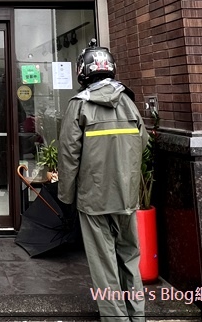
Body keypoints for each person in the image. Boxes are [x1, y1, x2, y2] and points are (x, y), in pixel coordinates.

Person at [57, 39, 149, 322]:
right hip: (126, 196)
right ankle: (138, 315)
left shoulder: (79, 106)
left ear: (83, 72)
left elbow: (69, 156)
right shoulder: (129, 104)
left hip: (94, 198)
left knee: (103, 262)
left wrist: (66, 197)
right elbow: (143, 143)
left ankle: (115, 318)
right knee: (129, 257)